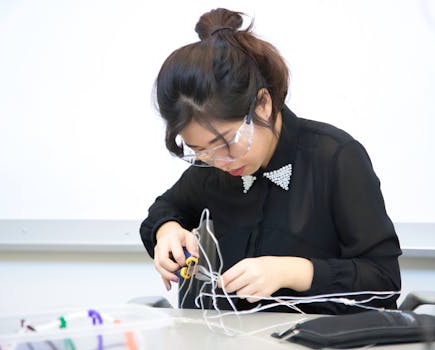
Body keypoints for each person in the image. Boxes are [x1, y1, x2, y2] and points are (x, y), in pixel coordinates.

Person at [140, 8, 401, 315]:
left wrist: (293, 272)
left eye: (226, 143)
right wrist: (167, 231)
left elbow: (383, 283)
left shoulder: (335, 157)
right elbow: (164, 208)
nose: (219, 161)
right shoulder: (215, 166)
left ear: (262, 104)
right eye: (200, 150)